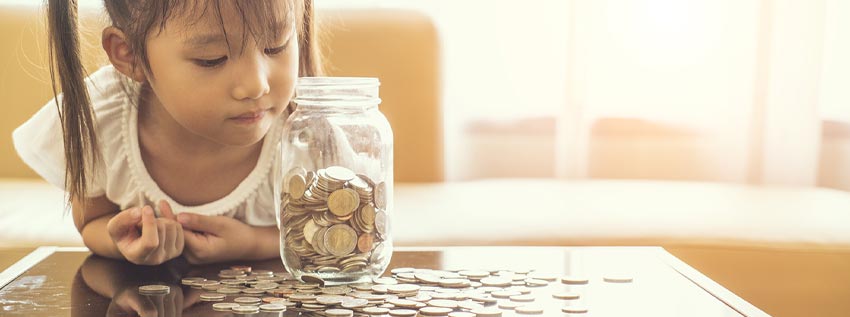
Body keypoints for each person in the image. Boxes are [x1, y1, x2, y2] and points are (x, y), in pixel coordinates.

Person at [12, 0, 322, 265]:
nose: (257, 85)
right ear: (127, 54)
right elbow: (91, 222)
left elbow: (334, 234)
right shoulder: (101, 119)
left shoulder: (307, 133)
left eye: (276, 45)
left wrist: (254, 243)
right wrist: (125, 243)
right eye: (212, 59)